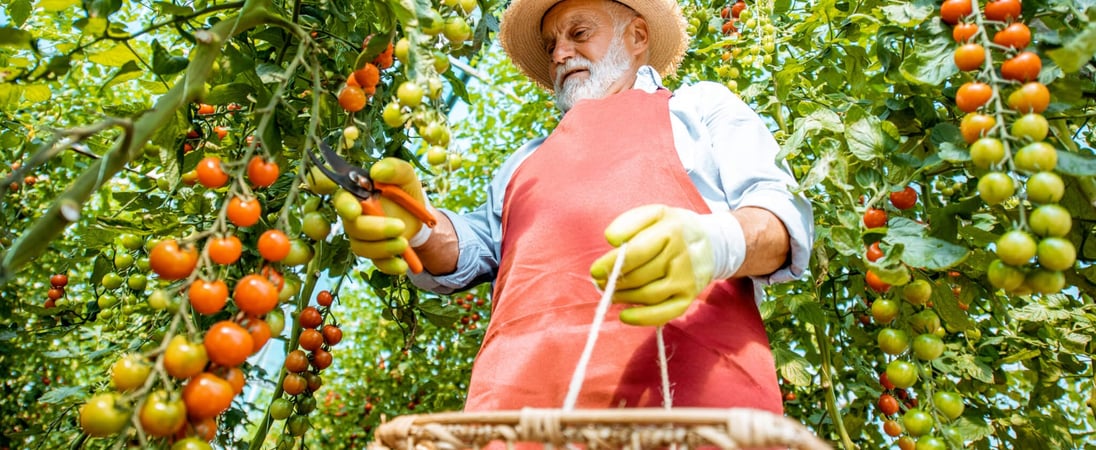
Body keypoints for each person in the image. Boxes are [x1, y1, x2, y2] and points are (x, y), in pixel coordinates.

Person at [345, 0, 813, 413]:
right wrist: (420, 229)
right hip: (518, 408)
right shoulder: (524, 160)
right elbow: (472, 249)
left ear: (638, 36)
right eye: (552, 46)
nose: (560, 54)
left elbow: (782, 219)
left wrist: (717, 243)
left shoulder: (699, 108)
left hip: (686, 399)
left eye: (579, 34)